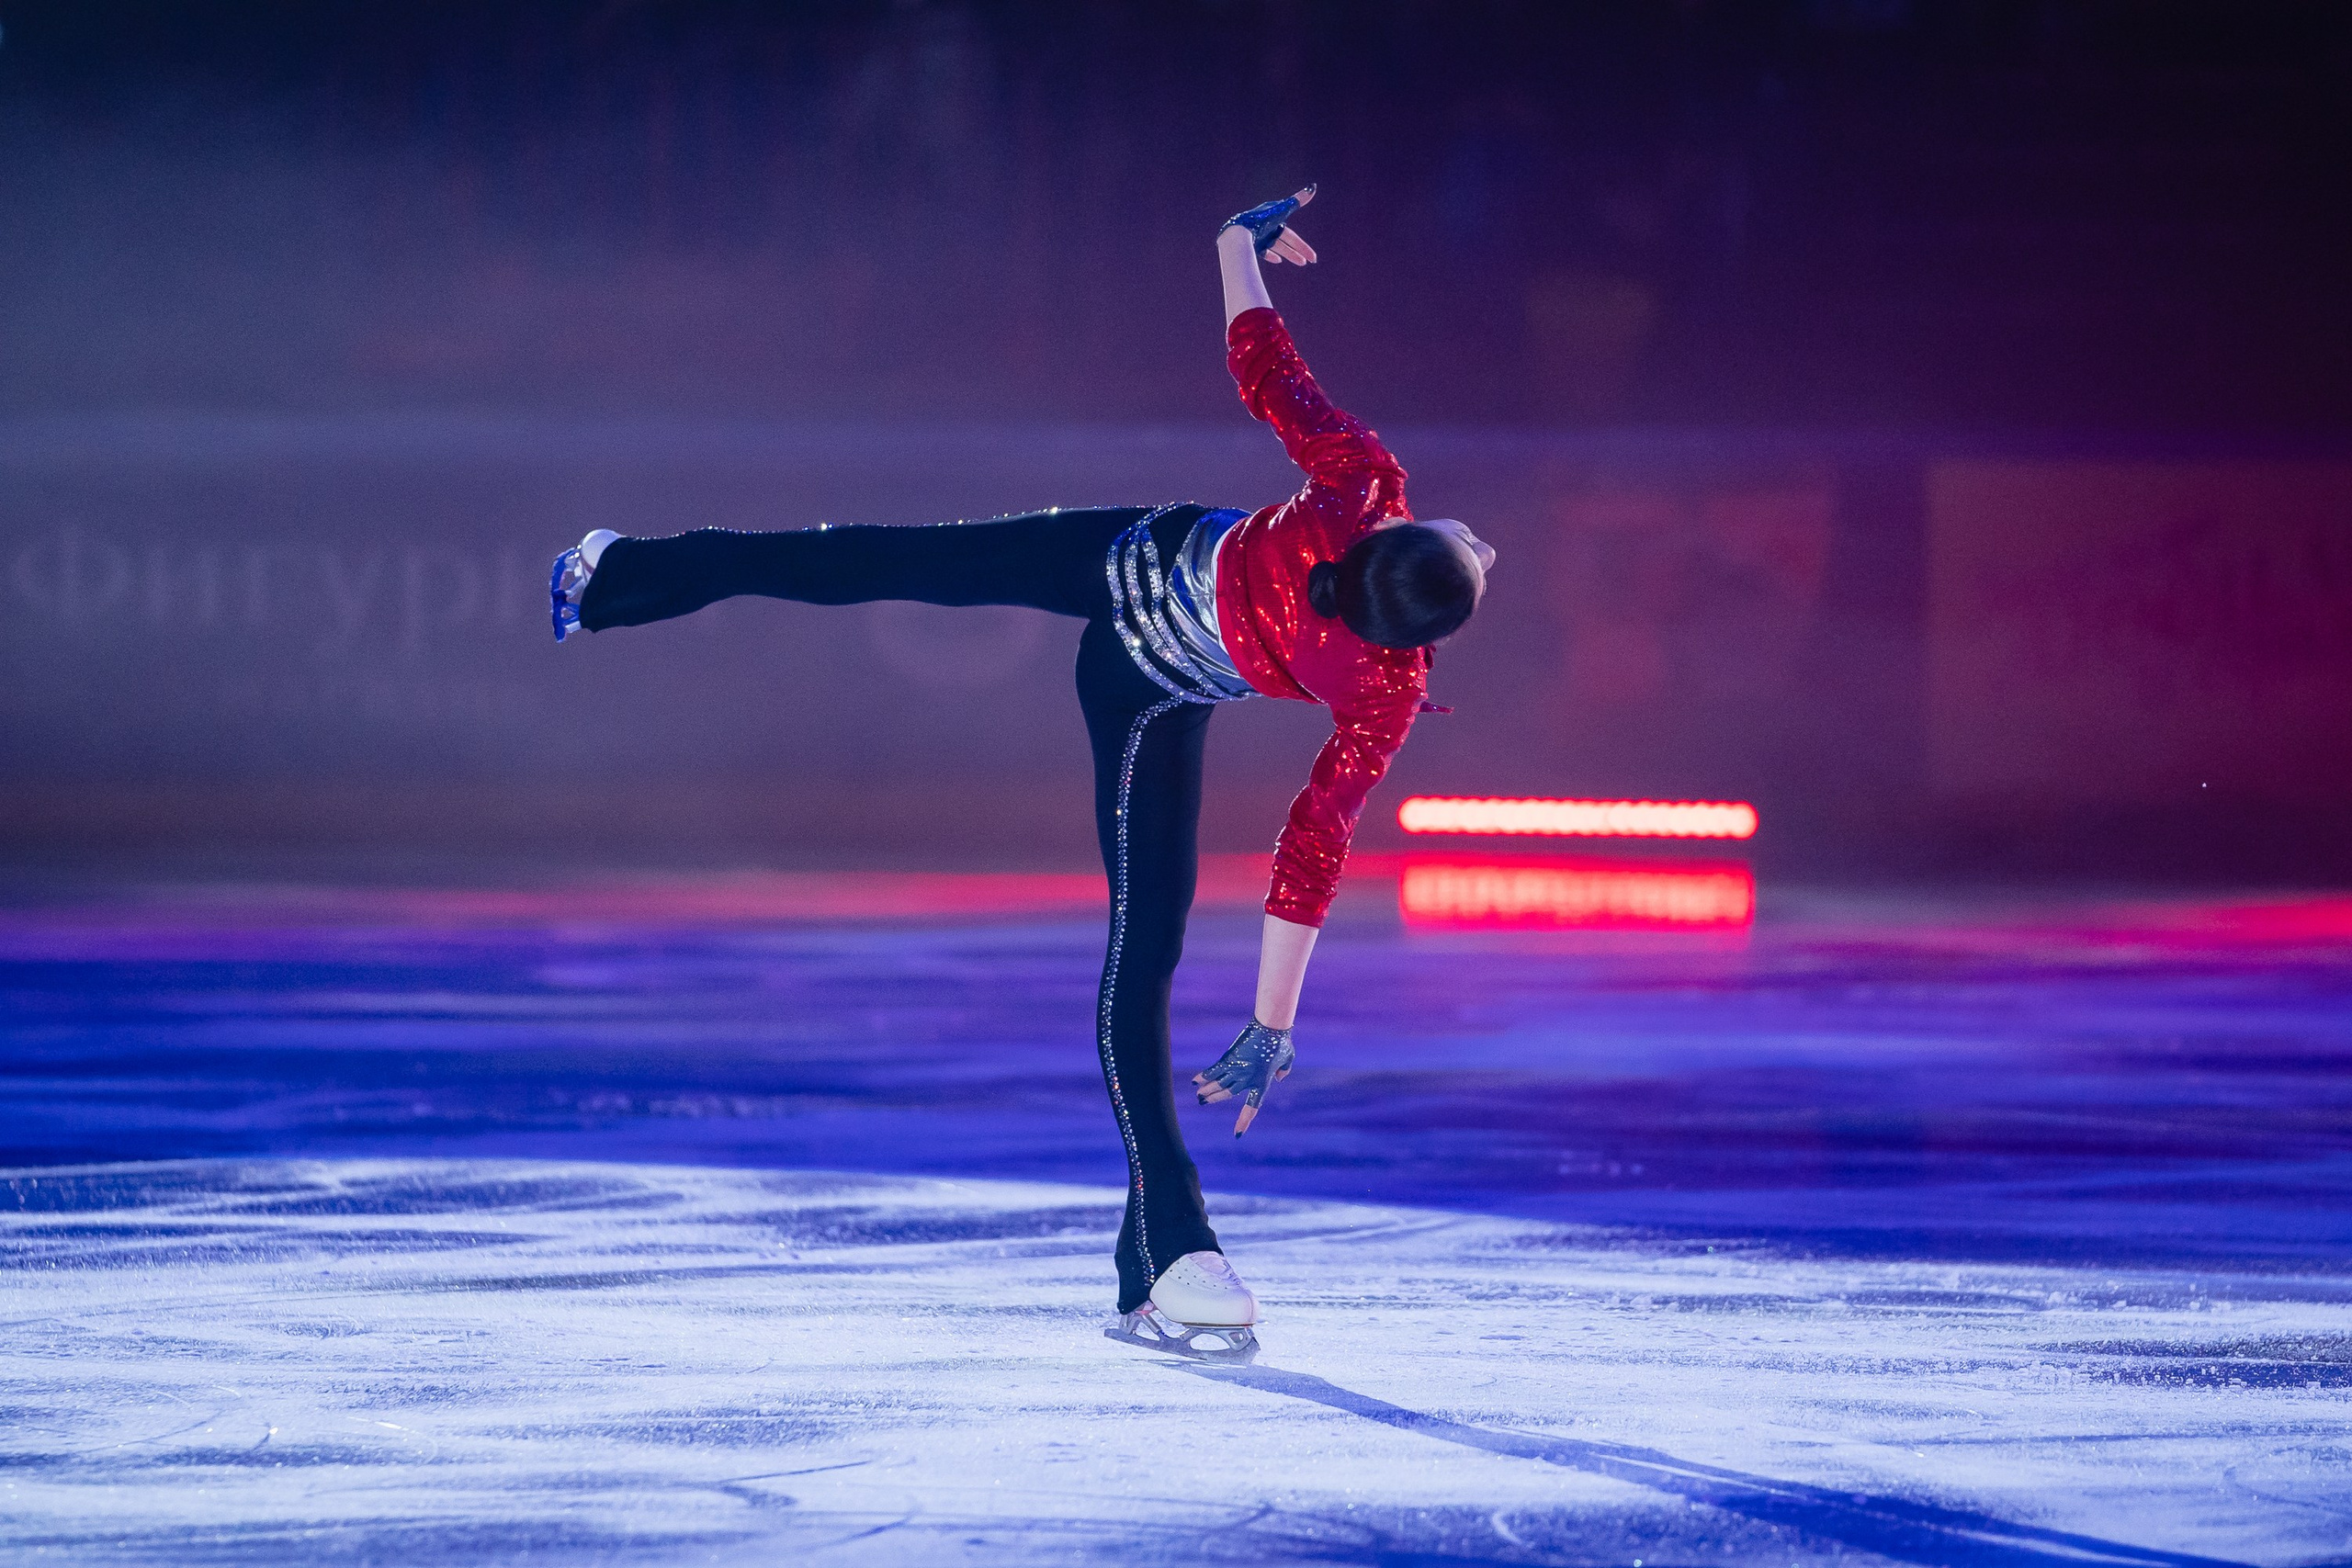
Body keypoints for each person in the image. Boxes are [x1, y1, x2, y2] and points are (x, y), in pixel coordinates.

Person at [548, 187, 1496, 1359]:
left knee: (1142, 953)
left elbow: (1267, 370)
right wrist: (1269, 1025)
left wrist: (1231, 247)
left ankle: (1161, 1257)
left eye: (1471, 554)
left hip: (1145, 682)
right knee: (886, 561)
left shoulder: (1368, 508)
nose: (1482, 541)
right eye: (1472, 553)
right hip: (1116, 563)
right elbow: (1313, 845)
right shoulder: (1379, 626)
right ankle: (622, 570)